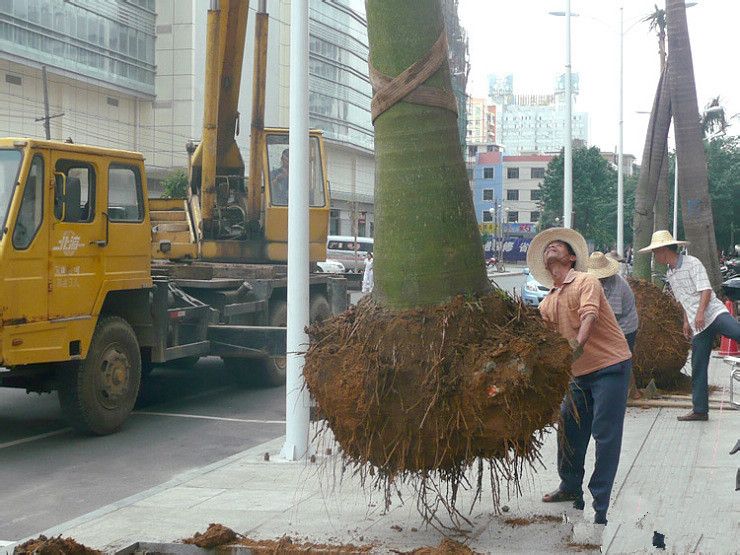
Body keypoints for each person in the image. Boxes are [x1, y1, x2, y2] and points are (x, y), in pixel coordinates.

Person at [527, 228, 632, 526]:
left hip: (610, 366)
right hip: (577, 375)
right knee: (570, 429)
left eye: (558, 246)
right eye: (548, 248)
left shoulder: (586, 281)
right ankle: (570, 485)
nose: (552, 249)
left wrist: (577, 345)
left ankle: (600, 499)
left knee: (604, 433)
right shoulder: (547, 301)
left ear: (572, 257)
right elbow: (542, 339)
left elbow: (589, 316)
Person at [639, 230, 740, 421]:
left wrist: (700, 313)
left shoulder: (692, 263)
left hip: (713, 314)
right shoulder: (671, 274)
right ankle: (700, 410)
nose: (654, 257)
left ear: (663, 250)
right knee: (698, 366)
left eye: (655, 253)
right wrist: (687, 321)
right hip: (698, 324)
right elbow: (683, 300)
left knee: (737, 332)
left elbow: (706, 291)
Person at [589, 251, 642, 399]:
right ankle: (630, 391)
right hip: (615, 324)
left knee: (621, 358)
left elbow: (612, 315)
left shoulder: (617, 285)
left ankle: (629, 392)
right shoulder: (600, 283)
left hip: (625, 326)